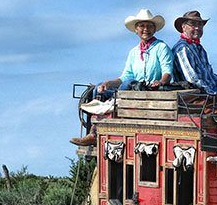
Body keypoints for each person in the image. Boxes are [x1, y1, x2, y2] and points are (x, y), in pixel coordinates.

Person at [71, 8, 175, 146]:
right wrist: (107, 83)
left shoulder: (161, 48)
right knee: (97, 88)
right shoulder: (134, 52)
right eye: (142, 26)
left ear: (154, 29)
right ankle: (93, 132)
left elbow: (167, 72)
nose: (146, 29)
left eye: (149, 26)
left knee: (127, 85)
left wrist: (160, 82)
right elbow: (125, 75)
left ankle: (104, 120)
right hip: (131, 90)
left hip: (149, 91)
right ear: (136, 29)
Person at [171, 10, 217, 93]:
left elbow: (210, 75)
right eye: (193, 24)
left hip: (210, 92)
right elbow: (192, 80)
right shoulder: (182, 48)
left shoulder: (200, 49)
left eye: (200, 25)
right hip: (195, 96)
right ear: (184, 27)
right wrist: (213, 93)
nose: (197, 28)